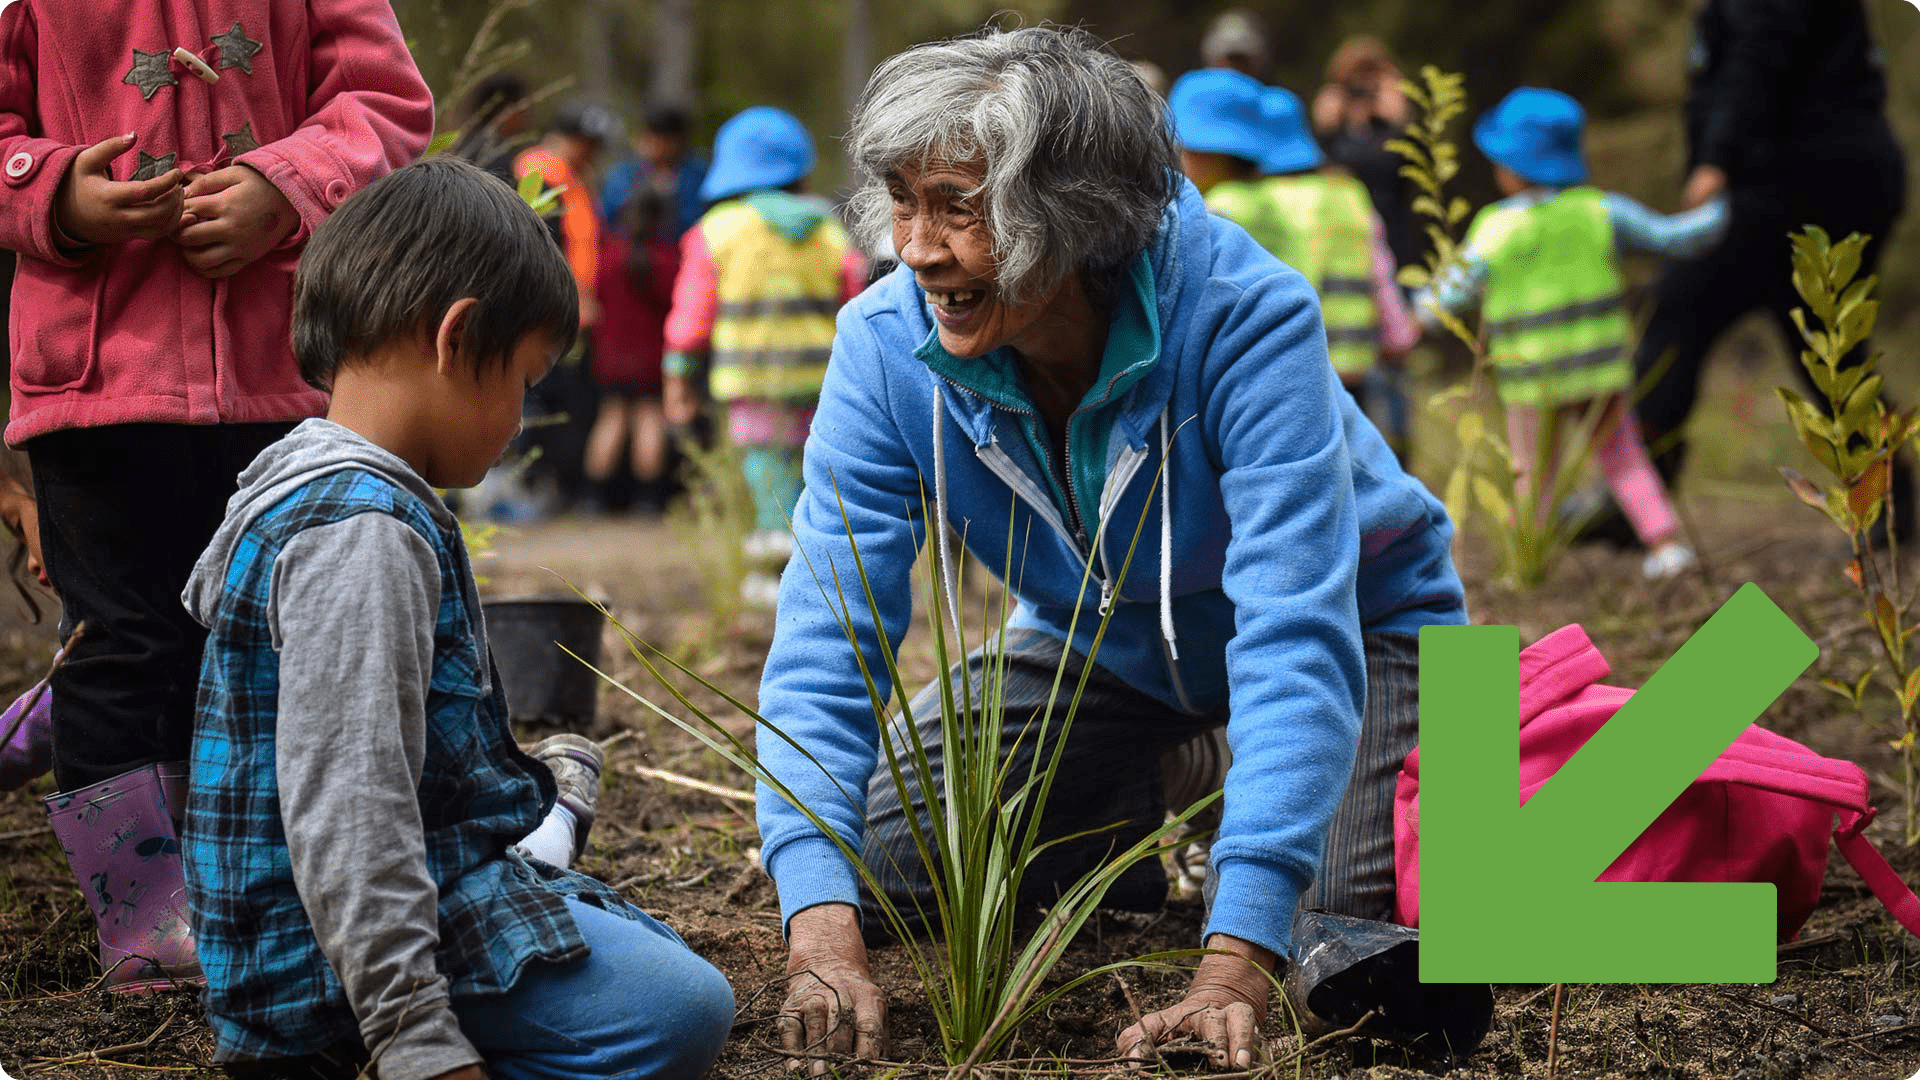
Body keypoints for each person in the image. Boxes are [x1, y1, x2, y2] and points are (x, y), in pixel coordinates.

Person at [758, 26, 1487, 1073]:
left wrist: (1231, 962)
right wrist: (818, 931)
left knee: (1331, 942)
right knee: (880, 862)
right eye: (904, 202)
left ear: (1074, 216)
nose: (916, 247)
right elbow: (829, 635)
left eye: (960, 206)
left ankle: (1272, 790)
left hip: (1361, 630)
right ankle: (1178, 775)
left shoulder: (1245, 317)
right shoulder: (884, 350)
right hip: (1104, 643)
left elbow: (1295, 629)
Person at [180, 157, 735, 1080]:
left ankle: (535, 848)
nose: (521, 418)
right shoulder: (362, 535)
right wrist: (413, 1035)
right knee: (680, 1011)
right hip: (323, 978)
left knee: (599, 896)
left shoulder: (304, 480)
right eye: (523, 379)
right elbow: (349, 806)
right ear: (456, 337)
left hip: (349, 913)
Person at [0, 0, 433, 992]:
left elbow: (386, 100)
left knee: (283, 646)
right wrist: (57, 195)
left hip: (282, 376)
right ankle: (145, 930)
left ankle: (279, 903)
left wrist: (284, 189)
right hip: (96, 385)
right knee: (118, 650)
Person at [1622, 0, 1911, 544]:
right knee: (1825, 349)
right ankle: (1896, 508)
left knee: (1677, 316)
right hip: (1816, 177)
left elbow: (1759, 55)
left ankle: (1636, 503)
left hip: (1800, 184)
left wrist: (1716, 161)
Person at [1415, 88, 1726, 580]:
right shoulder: (1602, 210)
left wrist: (1413, 317)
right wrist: (1721, 208)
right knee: (1623, 458)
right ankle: (1665, 547)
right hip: (1598, 369)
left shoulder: (1495, 228)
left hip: (1530, 379)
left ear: (1511, 167)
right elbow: (1675, 238)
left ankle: (1529, 564)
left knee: (1532, 471)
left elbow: (1450, 292)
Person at [661, 106, 865, 606]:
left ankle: (776, 583)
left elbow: (692, 316)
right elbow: (857, 300)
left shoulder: (717, 232)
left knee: (766, 475)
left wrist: (677, 377)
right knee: (819, 476)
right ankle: (821, 574)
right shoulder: (830, 231)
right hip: (823, 382)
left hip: (751, 384)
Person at [1172, 70, 1418, 418]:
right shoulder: (1340, 194)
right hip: (1343, 356)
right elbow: (1377, 270)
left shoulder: (1224, 208)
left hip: (1267, 371)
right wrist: (1399, 333)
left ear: (1204, 151)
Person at [507, 99, 622, 517]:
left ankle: (559, 487)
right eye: (586, 142)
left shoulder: (576, 175)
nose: (591, 152)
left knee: (569, 398)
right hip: (549, 307)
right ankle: (533, 485)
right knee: (542, 395)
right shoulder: (537, 167)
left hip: (575, 310)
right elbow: (540, 238)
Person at [586, 182, 680, 513]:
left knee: (611, 418)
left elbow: (596, 298)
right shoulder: (667, 258)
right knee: (649, 419)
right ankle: (647, 500)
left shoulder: (610, 254)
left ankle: (595, 499)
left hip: (611, 357)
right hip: (651, 357)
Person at [599, 105, 711, 240]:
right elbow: (608, 219)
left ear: (679, 142)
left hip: (678, 253)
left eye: (665, 140)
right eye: (651, 138)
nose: (657, 146)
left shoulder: (696, 174)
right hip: (628, 255)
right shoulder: (624, 174)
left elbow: (698, 223)